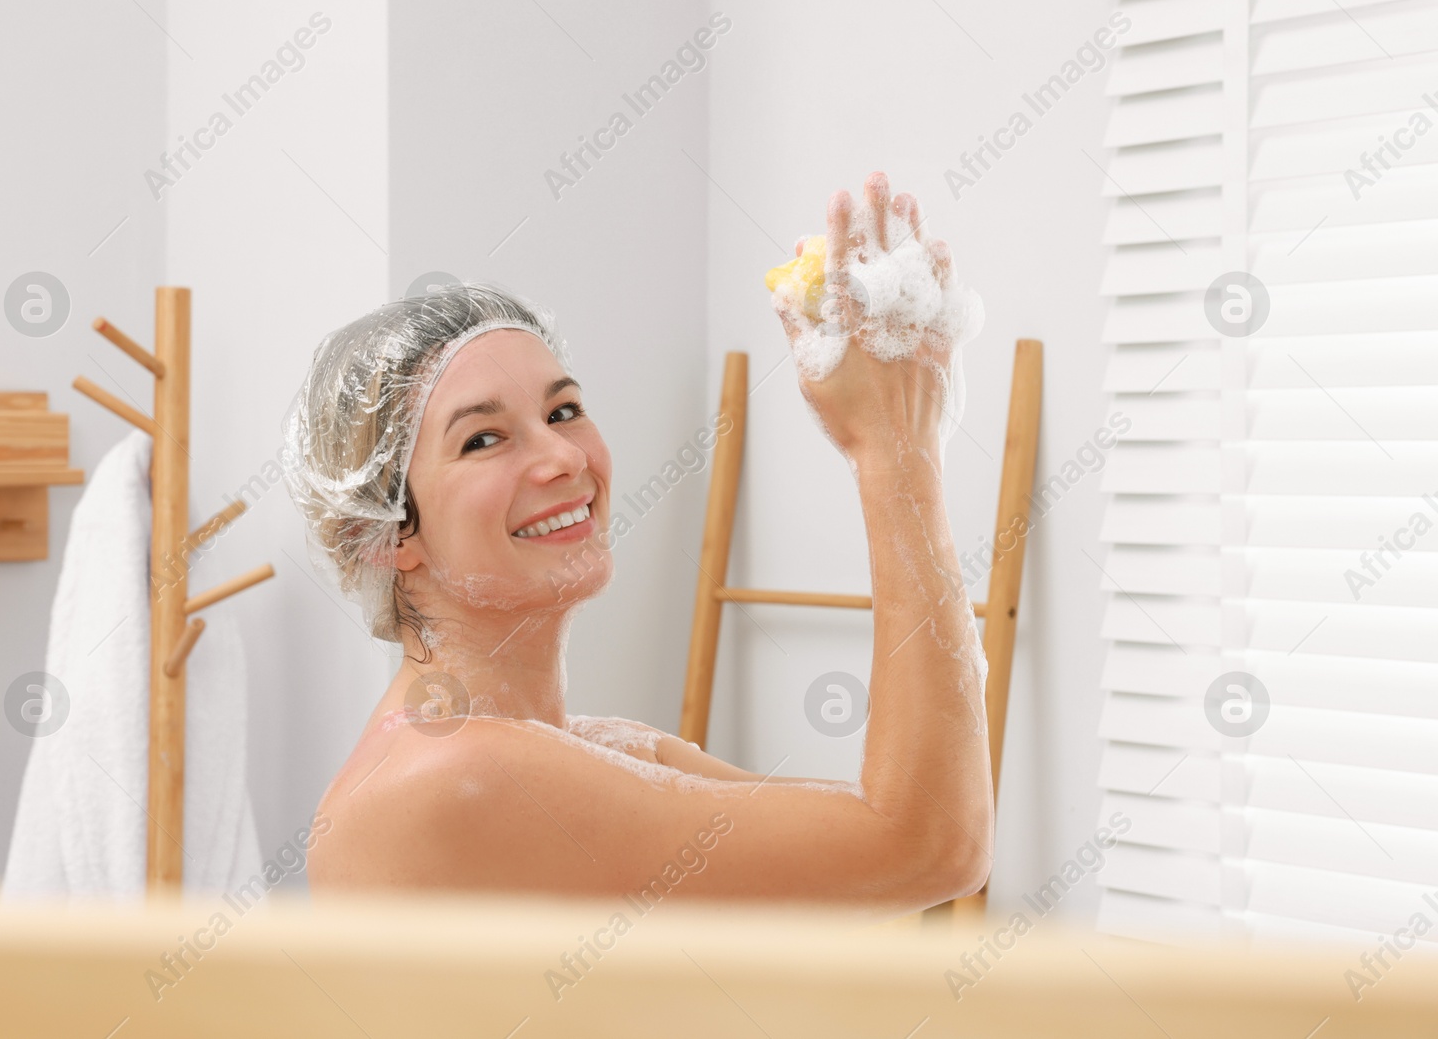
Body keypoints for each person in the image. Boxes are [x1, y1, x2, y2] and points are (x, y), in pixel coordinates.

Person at [286, 171, 992, 914]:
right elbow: (924, 846)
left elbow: (891, 843)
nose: (562, 457)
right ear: (386, 535)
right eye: (484, 438)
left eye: (563, 411)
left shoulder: (599, 750)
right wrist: (895, 452)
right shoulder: (451, 773)